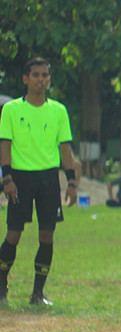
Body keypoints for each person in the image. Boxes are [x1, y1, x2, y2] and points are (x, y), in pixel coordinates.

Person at [0, 57, 77, 307]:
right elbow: (5, 146)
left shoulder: (58, 111)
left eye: (45, 75)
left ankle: (37, 294)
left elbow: (65, 149)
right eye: (35, 75)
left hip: (48, 179)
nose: (40, 79)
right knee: (13, 235)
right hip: (20, 178)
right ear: (26, 79)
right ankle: (2, 285)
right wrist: (7, 178)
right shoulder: (11, 109)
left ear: (49, 79)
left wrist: (72, 182)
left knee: (47, 236)